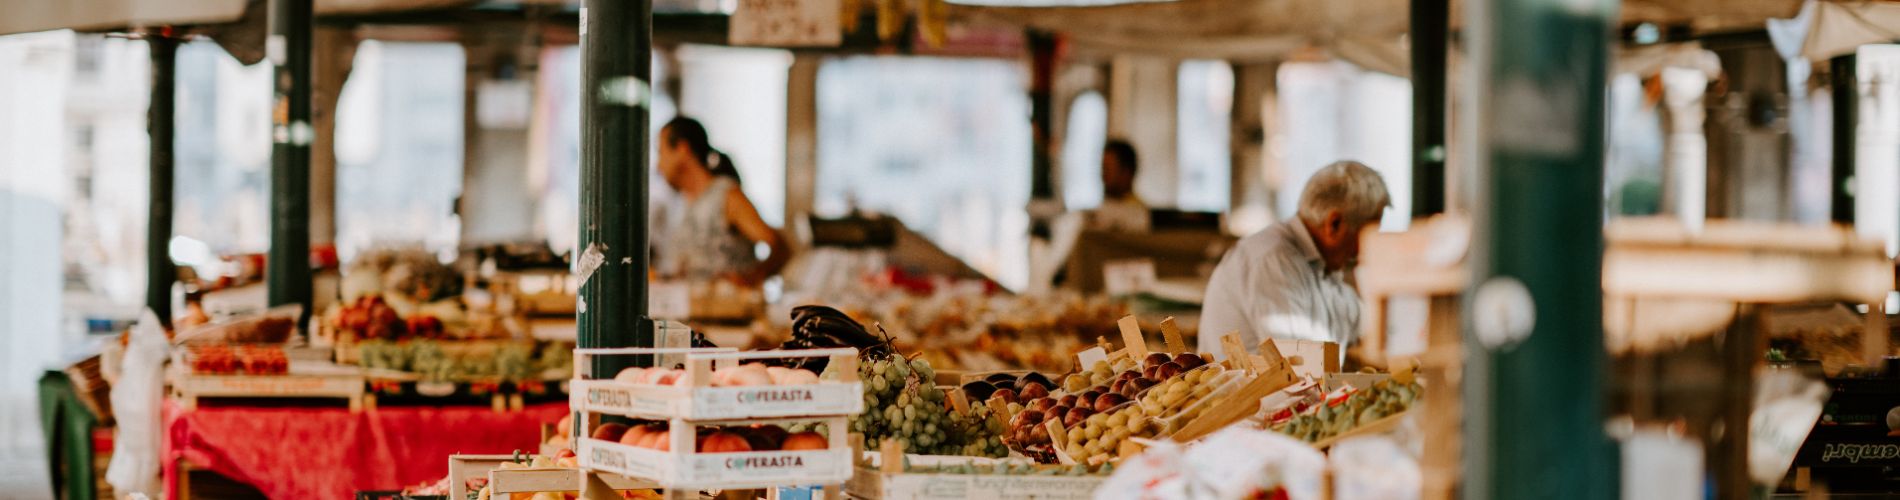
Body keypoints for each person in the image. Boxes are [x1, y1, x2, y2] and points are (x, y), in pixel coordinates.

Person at [1197, 160, 1391, 359]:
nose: (1366, 249)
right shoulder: (1274, 260)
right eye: (1367, 235)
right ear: (1334, 224)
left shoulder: (1322, 267)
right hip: (1254, 391)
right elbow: (1303, 366)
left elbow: (1366, 323)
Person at [655, 117, 791, 286]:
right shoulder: (681, 203)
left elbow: (780, 246)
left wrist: (752, 277)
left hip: (729, 310)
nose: (658, 166)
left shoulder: (726, 195)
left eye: (661, 152)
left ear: (683, 149)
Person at [1088, 139, 1149, 232]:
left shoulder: (1139, 216)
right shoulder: (1099, 211)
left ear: (1126, 173)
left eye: (1107, 169)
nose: (1103, 175)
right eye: (1102, 169)